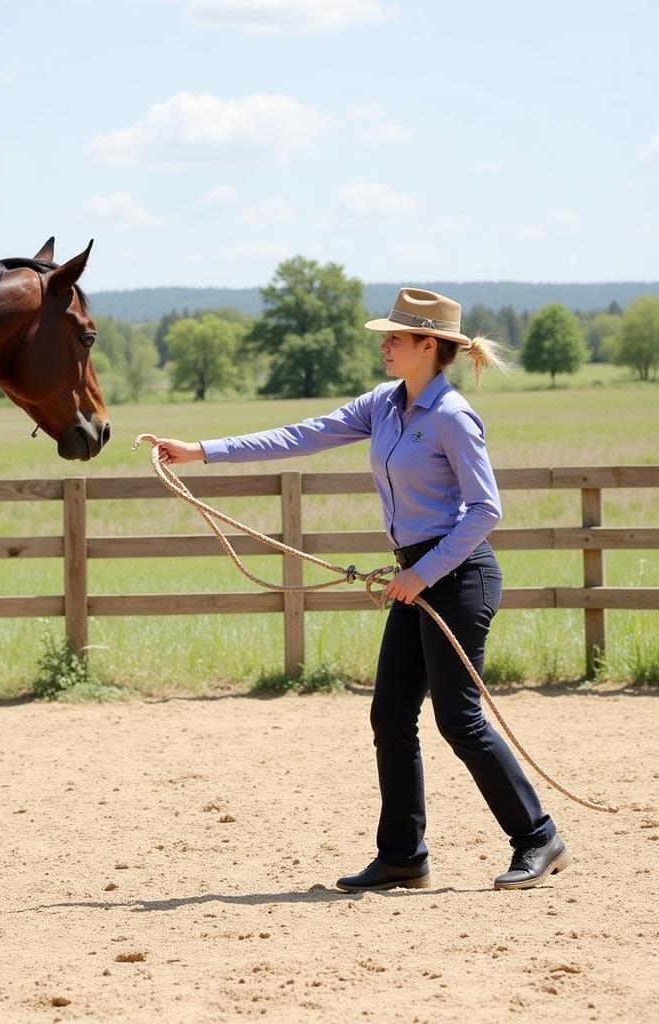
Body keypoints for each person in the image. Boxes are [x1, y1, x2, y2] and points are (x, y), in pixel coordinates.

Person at [151, 288, 570, 892]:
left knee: (460, 719)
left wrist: (422, 574)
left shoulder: (453, 417)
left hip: (458, 576)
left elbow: (484, 511)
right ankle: (403, 855)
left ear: (429, 347)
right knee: (391, 715)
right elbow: (304, 434)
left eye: (394, 338)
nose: (384, 345)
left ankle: (538, 837)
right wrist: (202, 452)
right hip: (415, 576)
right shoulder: (383, 405)